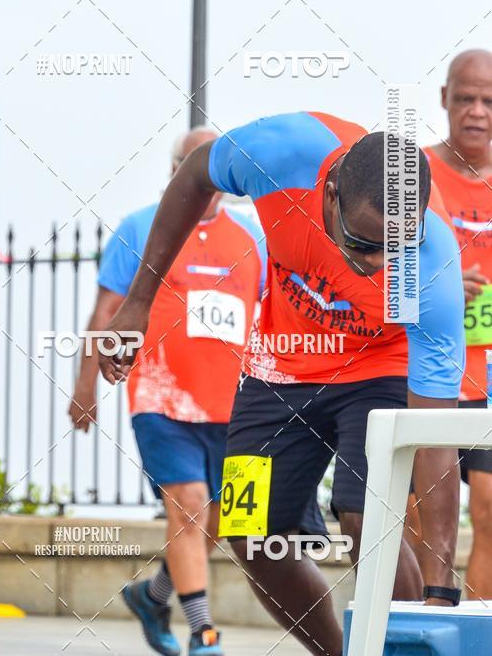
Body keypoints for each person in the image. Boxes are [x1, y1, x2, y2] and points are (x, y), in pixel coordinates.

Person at [95, 111, 466, 656]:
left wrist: (439, 595)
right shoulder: (282, 153)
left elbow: (434, 433)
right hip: (280, 365)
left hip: (379, 366)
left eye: (395, 248)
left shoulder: (433, 265)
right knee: (248, 529)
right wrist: (139, 302)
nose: (376, 265)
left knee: (366, 514)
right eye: (362, 243)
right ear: (332, 190)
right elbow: (196, 175)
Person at [69, 127, 272, 656]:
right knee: (188, 505)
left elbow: (271, 316)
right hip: (161, 398)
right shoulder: (141, 228)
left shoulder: (253, 237)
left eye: (211, 168)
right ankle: (204, 633)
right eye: (190, 165)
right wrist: (85, 383)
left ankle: (152, 595)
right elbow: (105, 313)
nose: (202, 179)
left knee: (227, 520)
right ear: (174, 169)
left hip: (236, 404)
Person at [406, 49, 492, 599]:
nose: (477, 111)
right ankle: (418, 624)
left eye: (488, 100)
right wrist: (434, 287)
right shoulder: (415, 171)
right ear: (444, 99)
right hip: (423, 373)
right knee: (422, 518)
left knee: (489, 508)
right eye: (465, 98)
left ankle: (478, 632)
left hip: (485, 376)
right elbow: (375, 266)